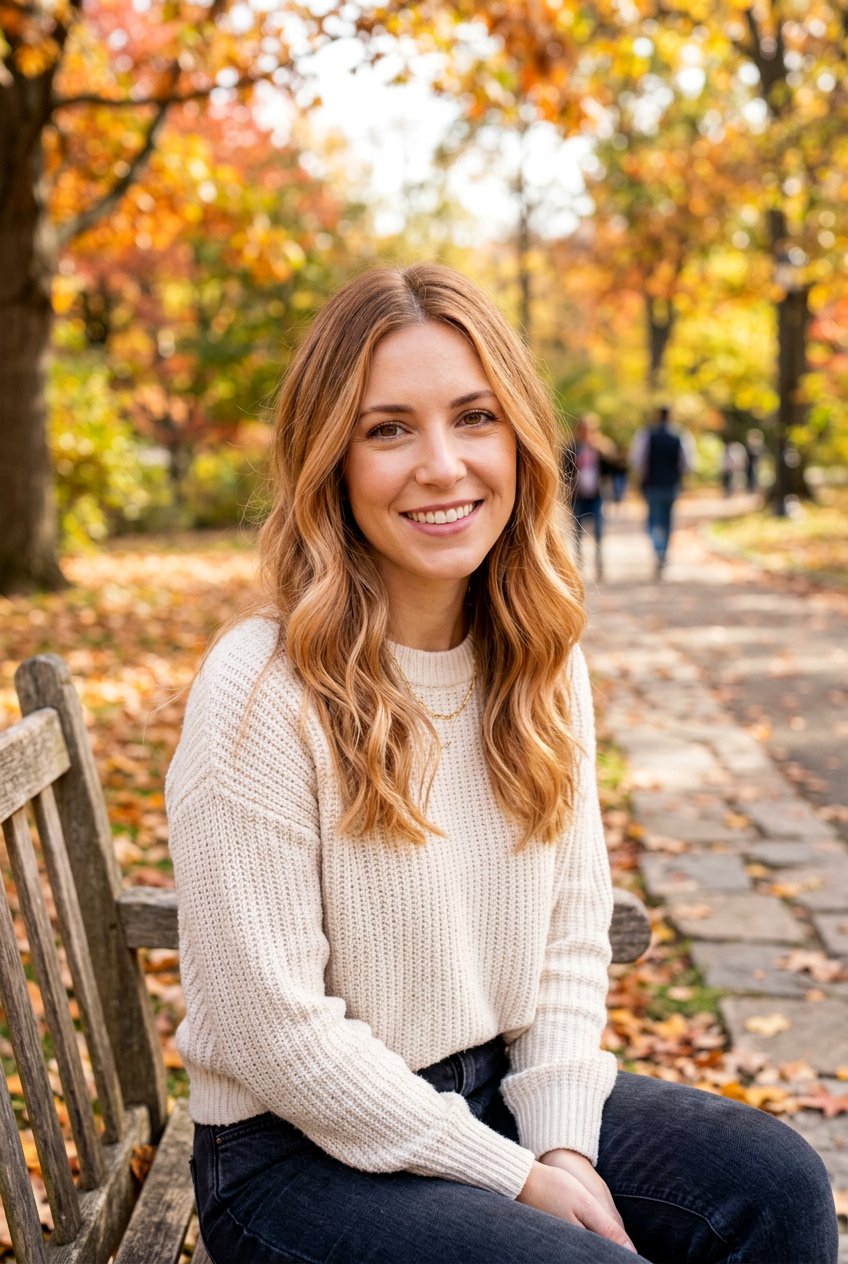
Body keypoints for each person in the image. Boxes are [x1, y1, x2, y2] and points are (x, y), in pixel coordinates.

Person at [167, 264, 837, 1264]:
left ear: (518, 435)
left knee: (771, 1182)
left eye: (473, 416)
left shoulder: (534, 650)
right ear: (329, 460)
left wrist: (561, 1138)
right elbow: (277, 1033)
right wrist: (518, 1179)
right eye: (387, 428)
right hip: (293, 1155)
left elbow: (572, 929)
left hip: (493, 1085)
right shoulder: (260, 687)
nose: (441, 465)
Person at [629, 406, 693, 578]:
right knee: (667, 519)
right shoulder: (680, 436)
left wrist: (640, 477)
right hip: (671, 484)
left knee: (653, 519)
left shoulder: (647, 434)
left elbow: (637, 460)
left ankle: (658, 550)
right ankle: (663, 552)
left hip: (652, 483)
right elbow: (687, 463)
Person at [562, 414, 614, 580]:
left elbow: (611, 469)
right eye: (583, 429)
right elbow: (564, 471)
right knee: (578, 531)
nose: (586, 433)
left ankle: (599, 565)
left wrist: (601, 450)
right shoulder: (571, 447)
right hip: (578, 495)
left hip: (596, 495)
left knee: (598, 531)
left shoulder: (600, 448)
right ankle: (579, 565)